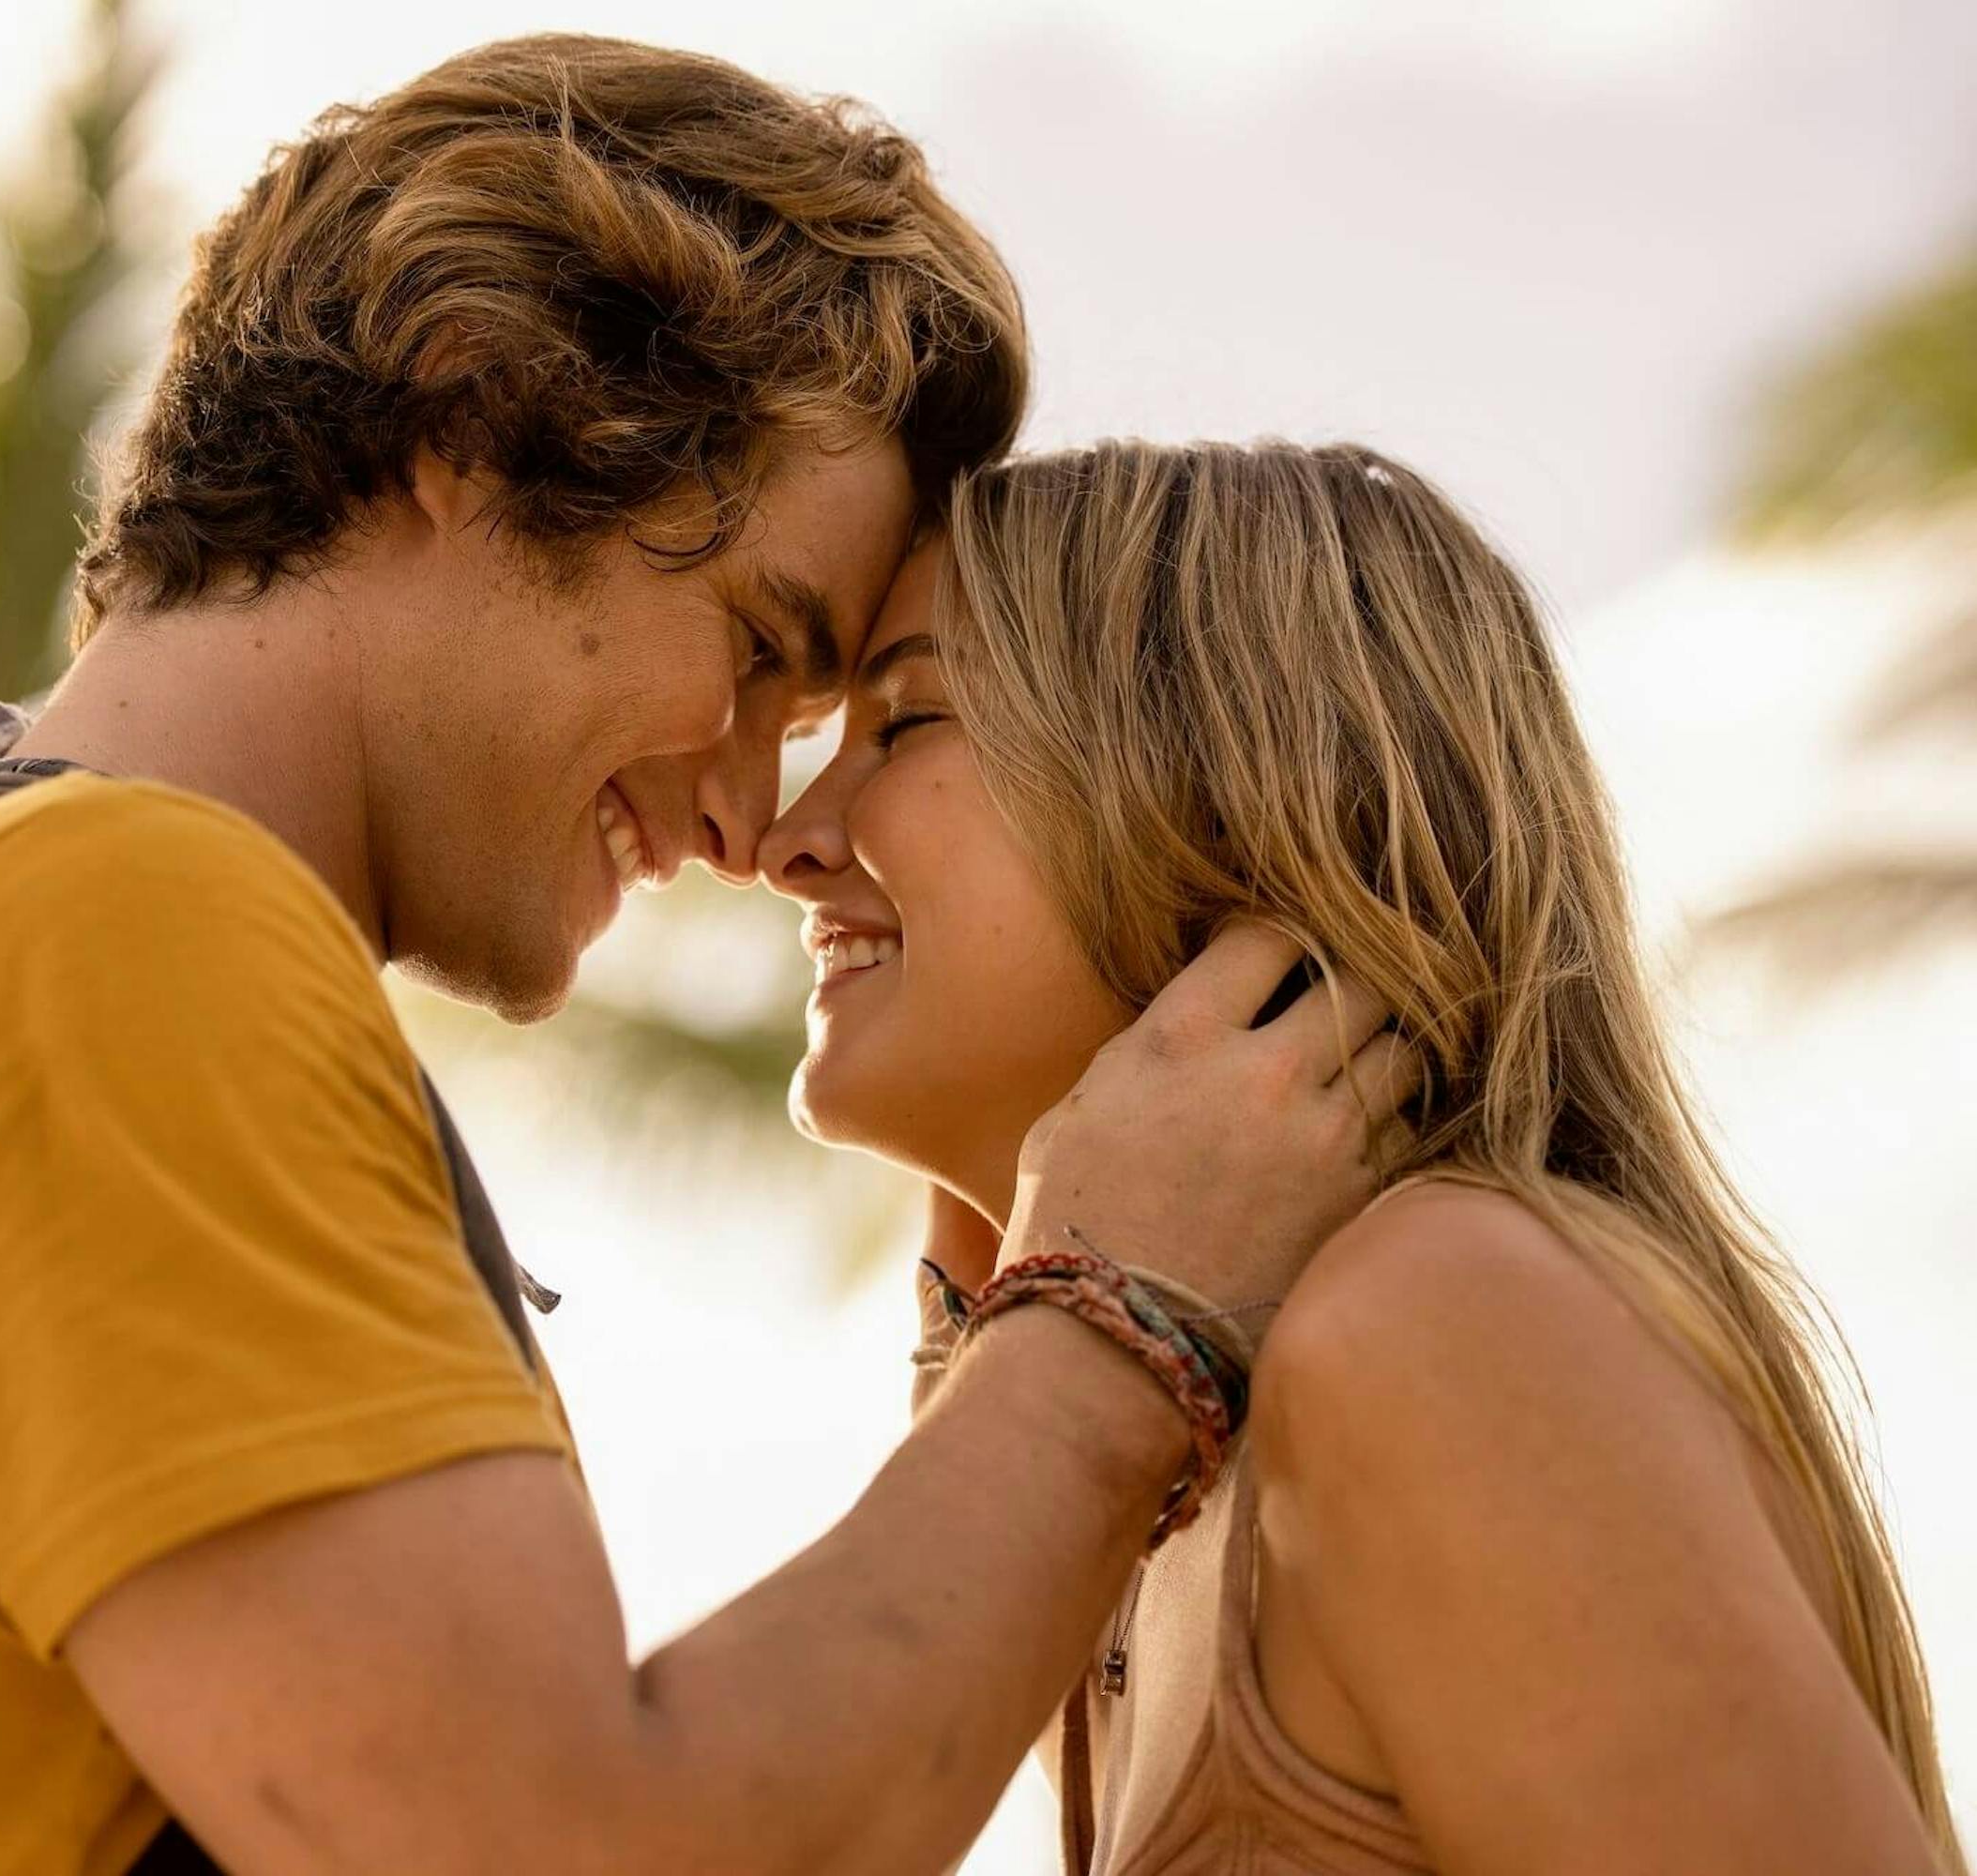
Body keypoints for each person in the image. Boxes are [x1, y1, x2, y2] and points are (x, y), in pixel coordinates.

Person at [0, 39, 1412, 1876]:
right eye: (753, 645)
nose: (742, 820)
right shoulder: (103, 930)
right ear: (470, 421)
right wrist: (1119, 1315)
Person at [761, 438, 1967, 1876]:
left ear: (1224, 794)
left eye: (903, 725)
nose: (786, 839)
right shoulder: (1185, 1479)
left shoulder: (1441, 1318)